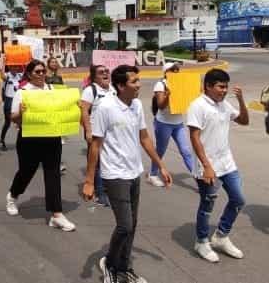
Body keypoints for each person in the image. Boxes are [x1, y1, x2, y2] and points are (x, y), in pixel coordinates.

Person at [82, 64, 172, 283]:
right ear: (121, 86)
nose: (139, 85)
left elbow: (144, 137)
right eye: (134, 82)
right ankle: (110, 264)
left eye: (138, 80)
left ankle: (124, 267)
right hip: (114, 174)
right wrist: (89, 181)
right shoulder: (104, 107)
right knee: (125, 225)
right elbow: (96, 145)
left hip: (133, 172)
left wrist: (160, 164)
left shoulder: (137, 105)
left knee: (133, 224)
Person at [4, 59, 76, 232]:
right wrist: (20, 113)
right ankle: (12, 196)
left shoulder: (52, 90)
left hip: (51, 137)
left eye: (43, 71)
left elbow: (61, 110)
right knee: (26, 172)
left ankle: (56, 214)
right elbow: (13, 118)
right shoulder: (23, 92)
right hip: (29, 139)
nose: (42, 74)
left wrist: (74, 108)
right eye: (37, 71)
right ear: (29, 74)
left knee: (53, 174)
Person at [187, 68, 250, 263]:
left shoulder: (224, 105)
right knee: (207, 204)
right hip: (208, 165)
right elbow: (194, 137)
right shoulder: (197, 106)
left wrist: (241, 101)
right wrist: (206, 166)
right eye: (220, 87)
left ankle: (221, 236)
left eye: (226, 87)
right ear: (208, 86)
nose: (224, 91)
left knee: (238, 200)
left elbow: (244, 121)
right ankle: (202, 241)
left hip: (227, 163)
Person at [147, 62, 195, 187]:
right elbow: (161, 106)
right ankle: (152, 175)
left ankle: (198, 178)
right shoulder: (160, 85)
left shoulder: (181, 82)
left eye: (176, 69)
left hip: (178, 123)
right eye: (172, 69)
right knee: (161, 150)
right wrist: (168, 95)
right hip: (163, 123)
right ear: (165, 72)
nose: (175, 71)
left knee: (186, 151)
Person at [80, 64, 114, 207]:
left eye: (107, 71)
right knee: (98, 163)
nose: (105, 73)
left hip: (111, 133)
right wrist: (88, 130)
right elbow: (84, 112)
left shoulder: (113, 89)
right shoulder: (90, 90)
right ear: (94, 77)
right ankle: (100, 193)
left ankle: (108, 190)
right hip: (95, 133)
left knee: (108, 162)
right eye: (101, 72)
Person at [0, 62, 23, 151]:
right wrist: (3, 62)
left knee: (21, 122)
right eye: (12, 66)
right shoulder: (7, 75)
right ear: (9, 67)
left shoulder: (20, 76)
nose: (14, 68)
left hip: (18, 101)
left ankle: (22, 142)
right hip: (9, 100)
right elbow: (2, 75)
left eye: (16, 66)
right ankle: (1, 141)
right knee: (7, 122)